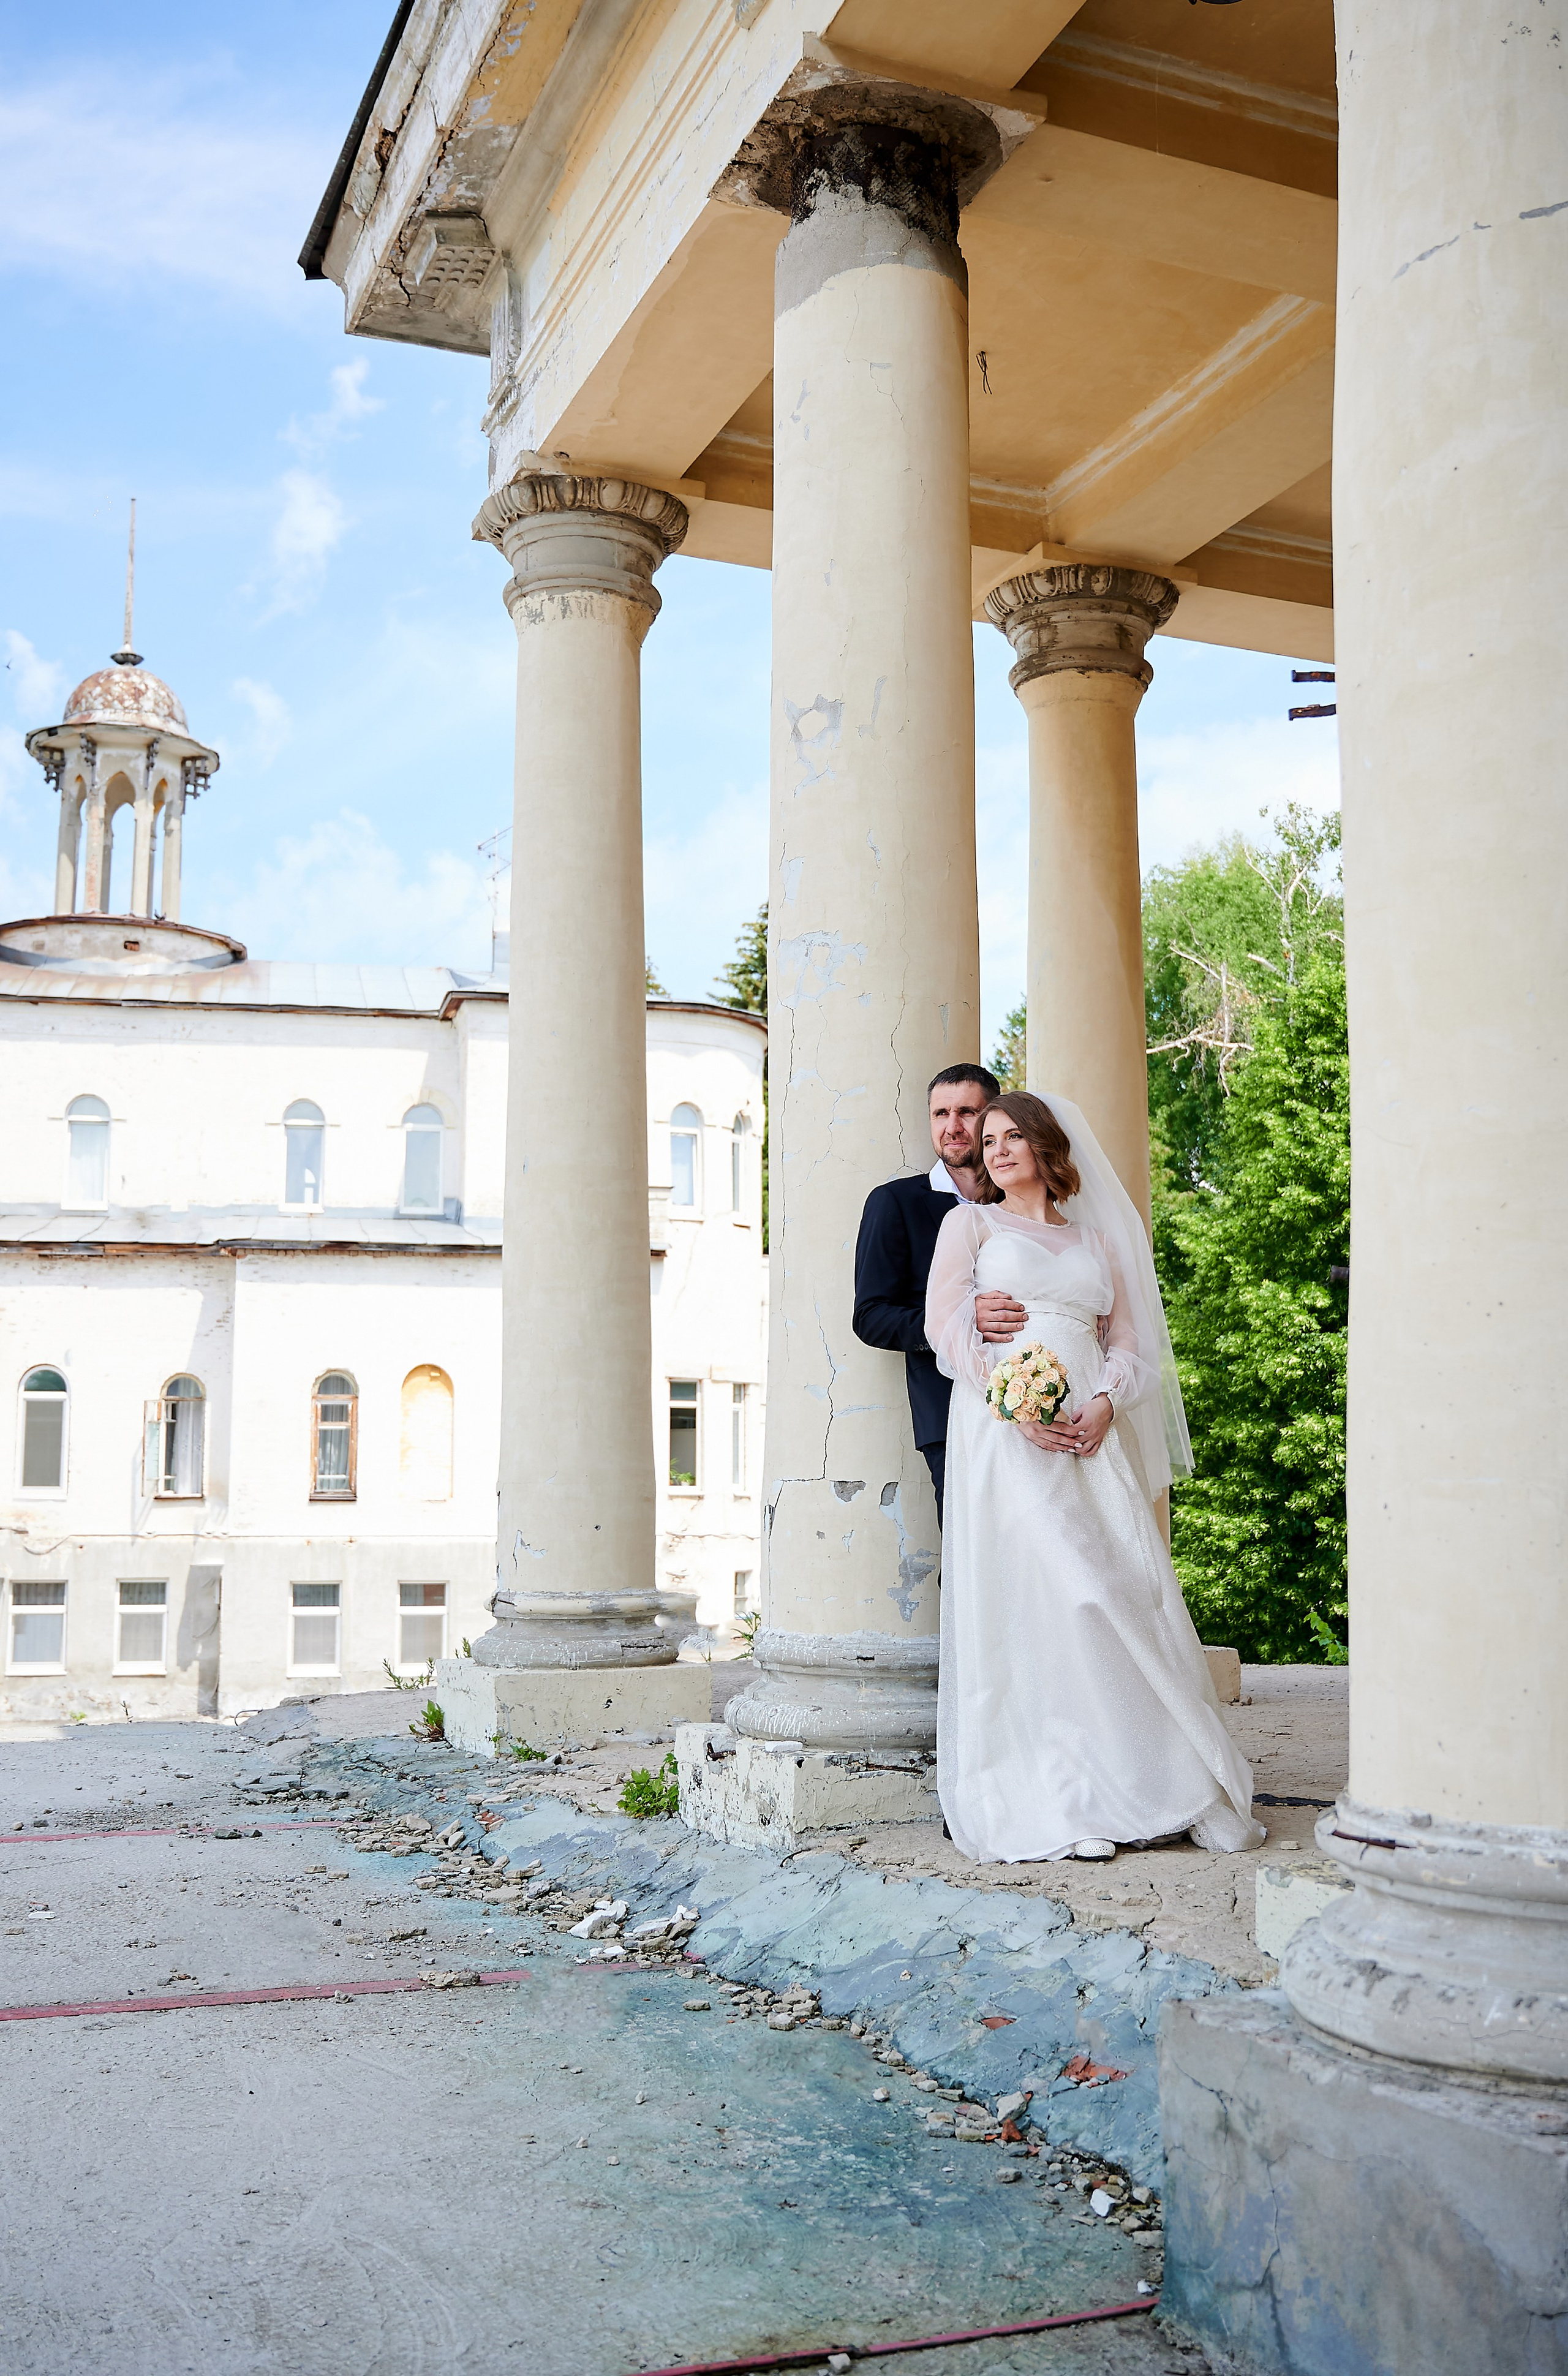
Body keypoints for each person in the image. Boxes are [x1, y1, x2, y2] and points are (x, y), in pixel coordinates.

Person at [925, 1089, 1264, 1865]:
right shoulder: (967, 1225)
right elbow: (942, 1327)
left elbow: (1134, 1344)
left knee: (1121, 1596)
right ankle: (1062, 1795)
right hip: (1007, 1439)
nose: (997, 1149)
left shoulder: (1099, 1241)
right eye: (989, 1139)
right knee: (1048, 1599)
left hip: (1088, 1437)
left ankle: (1171, 1783)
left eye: (1014, 1136)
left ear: (1048, 1148)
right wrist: (1010, 1399)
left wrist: (1107, 1404)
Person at [853, 1066, 1028, 1524]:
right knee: (972, 1564)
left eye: (967, 1112)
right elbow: (871, 1316)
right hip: (951, 1413)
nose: (952, 1126)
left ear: (993, 1119)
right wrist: (959, 1319)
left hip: (1044, 1400)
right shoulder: (896, 1202)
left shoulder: (1025, 1205)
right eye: (940, 1113)